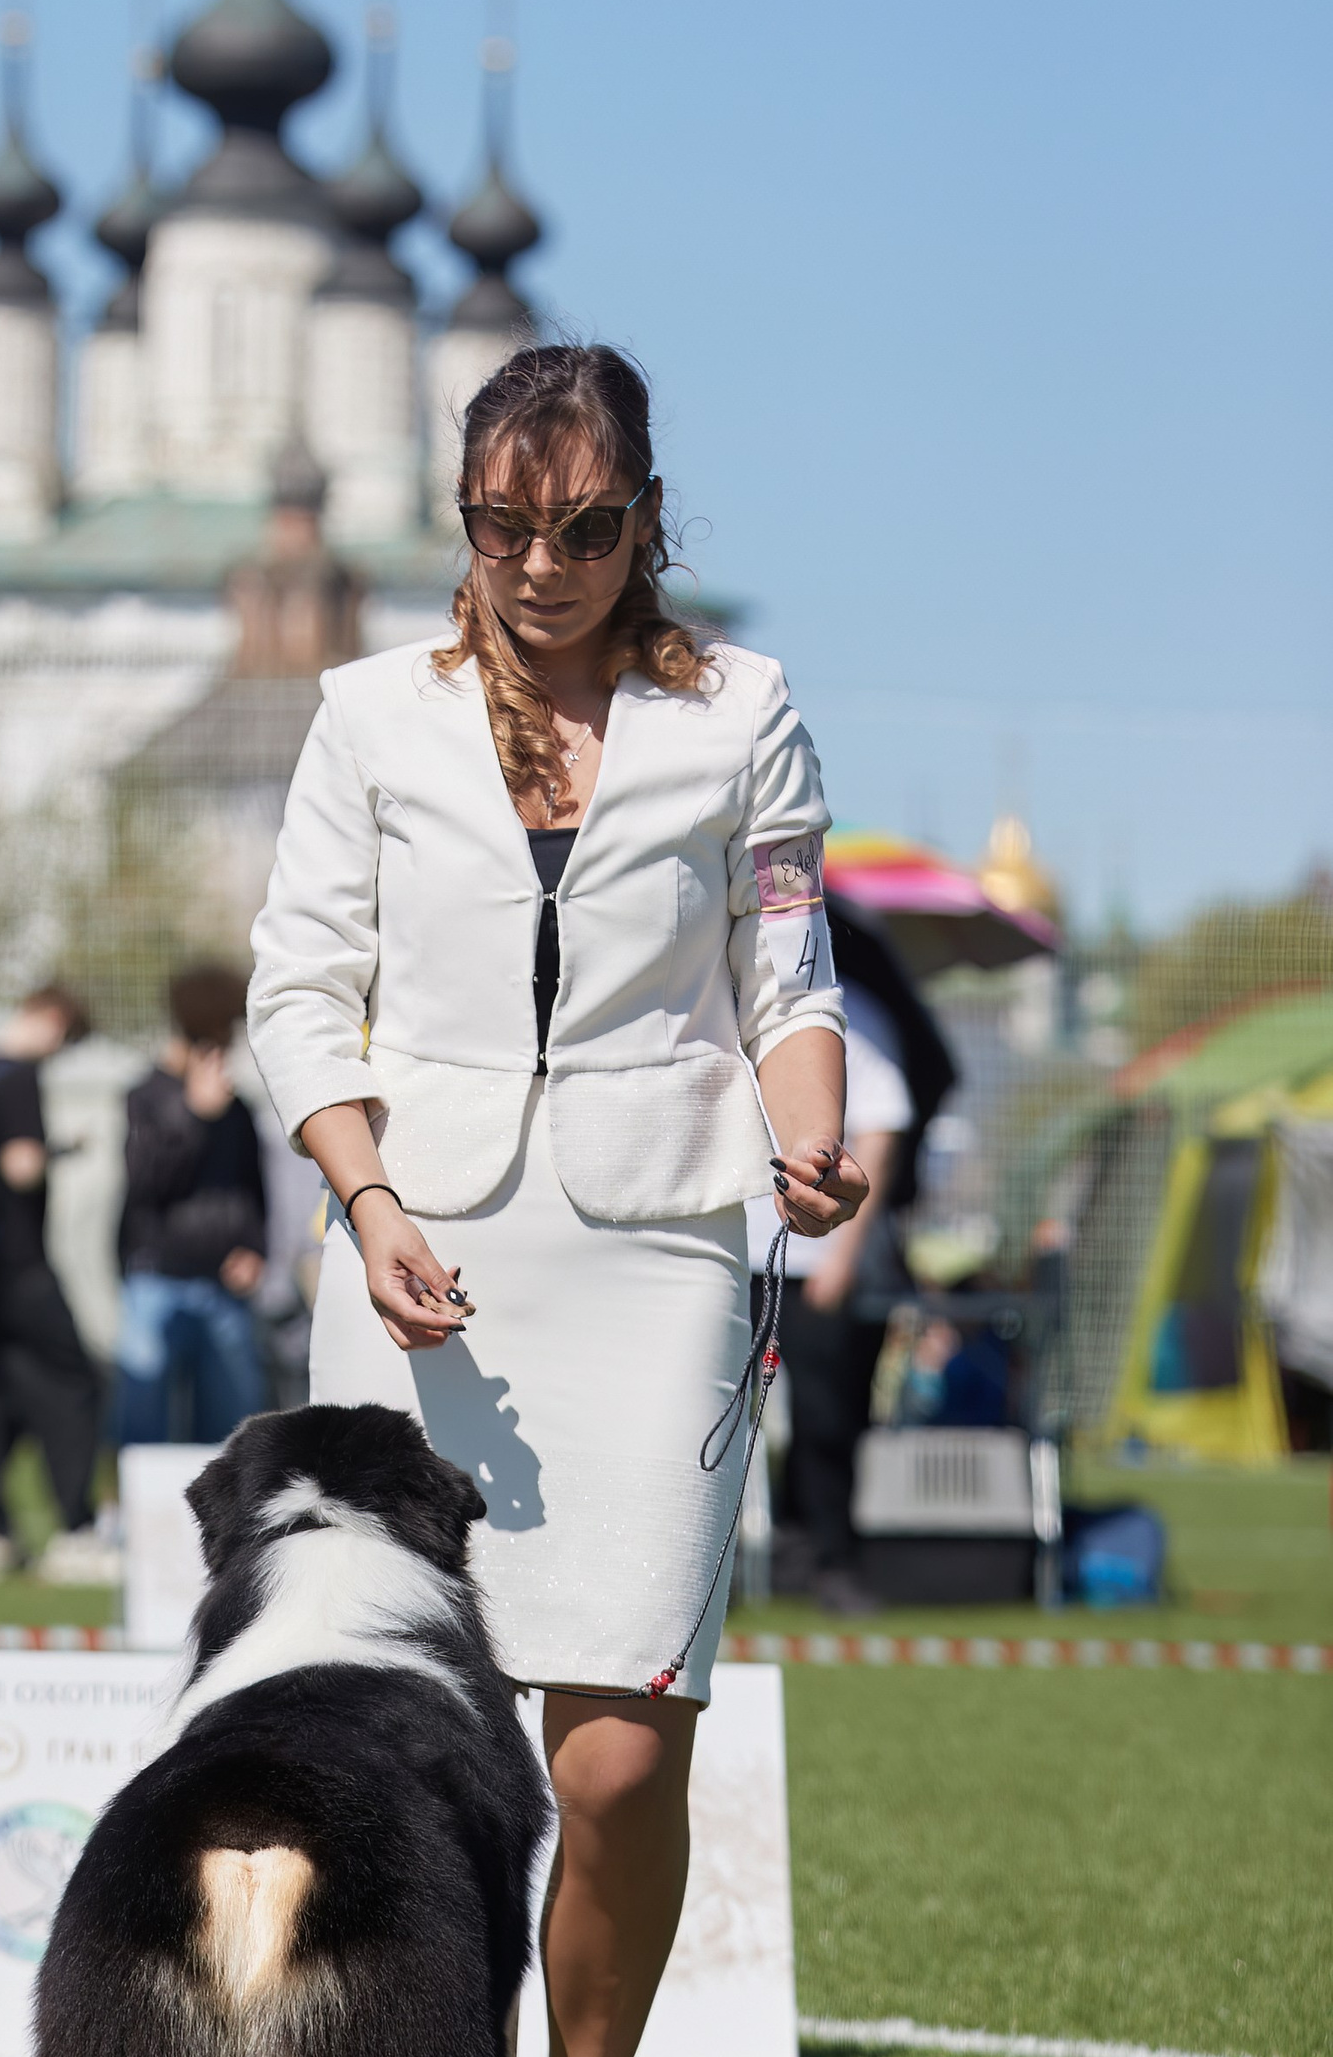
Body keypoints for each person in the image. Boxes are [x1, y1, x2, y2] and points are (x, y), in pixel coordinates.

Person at [248, 344, 867, 2057]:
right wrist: (363, 1199)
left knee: (614, 1756)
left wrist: (810, 1141)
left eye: (586, 529)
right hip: (414, 1256)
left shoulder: (744, 711)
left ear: (647, 523)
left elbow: (792, 978)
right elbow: (300, 994)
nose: (542, 563)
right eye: (505, 525)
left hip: (664, 1252)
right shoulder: (368, 714)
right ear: (462, 519)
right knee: (383, 1743)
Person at [757, 900, 957, 1613]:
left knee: (827, 1418)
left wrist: (843, 1251)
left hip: (813, 1259)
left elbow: (881, 1123)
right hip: (729, 1252)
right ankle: (744, 1568)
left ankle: (831, 1562)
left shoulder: (847, 1010)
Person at [0, 984, 118, 1589]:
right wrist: (61, 1150)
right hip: (21, 1265)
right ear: (52, 1021)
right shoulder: (18, 1078)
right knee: (76, 1383)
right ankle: (76, 1531)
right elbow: (19, 1166)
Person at [114, 963, 271, 1445]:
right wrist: (192, 1117)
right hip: (156, 1280)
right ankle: (127, 1517)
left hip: (225, 1289)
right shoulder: (145, 1097)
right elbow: (142, 1184)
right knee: (141, 1421)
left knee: (232, 1432)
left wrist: (254, 1248)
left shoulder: (239, 1108)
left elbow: (251, 1189)